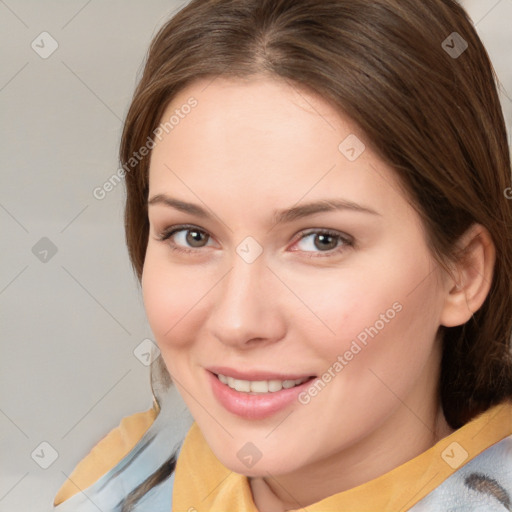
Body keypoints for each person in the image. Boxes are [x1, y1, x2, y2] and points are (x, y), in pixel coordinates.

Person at [52, 0, 512, 510]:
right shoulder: (111, 482)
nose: (237, 321)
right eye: (192, 235)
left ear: (463, 274)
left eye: (322, 240)